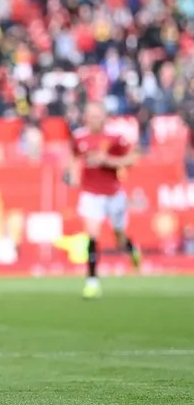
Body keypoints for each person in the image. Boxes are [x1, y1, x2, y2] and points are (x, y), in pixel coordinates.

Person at [69, 102, 141, 299]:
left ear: (104, 116)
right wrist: (74, 175)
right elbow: (75, 156)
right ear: (85, 117)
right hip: (91, 193)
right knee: (92, 235)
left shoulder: (115, 137)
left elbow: (132, 158)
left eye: (97, 115)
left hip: (113, 193)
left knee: (119, 237)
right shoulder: (79, 137)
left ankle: (131, 248)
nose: (94, 119)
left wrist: (107, 160)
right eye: (90, 115)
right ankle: (92, 281)